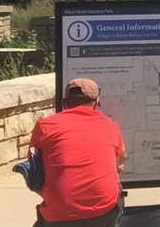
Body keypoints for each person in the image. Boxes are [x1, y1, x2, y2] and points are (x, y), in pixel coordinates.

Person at [28, 78, 126, 227]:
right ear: (95, 103)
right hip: (104, 214)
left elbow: (33, 167)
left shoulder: (44, 126)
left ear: (64, 104)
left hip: (58, 217)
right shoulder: (110, 126)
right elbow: (121, 158)